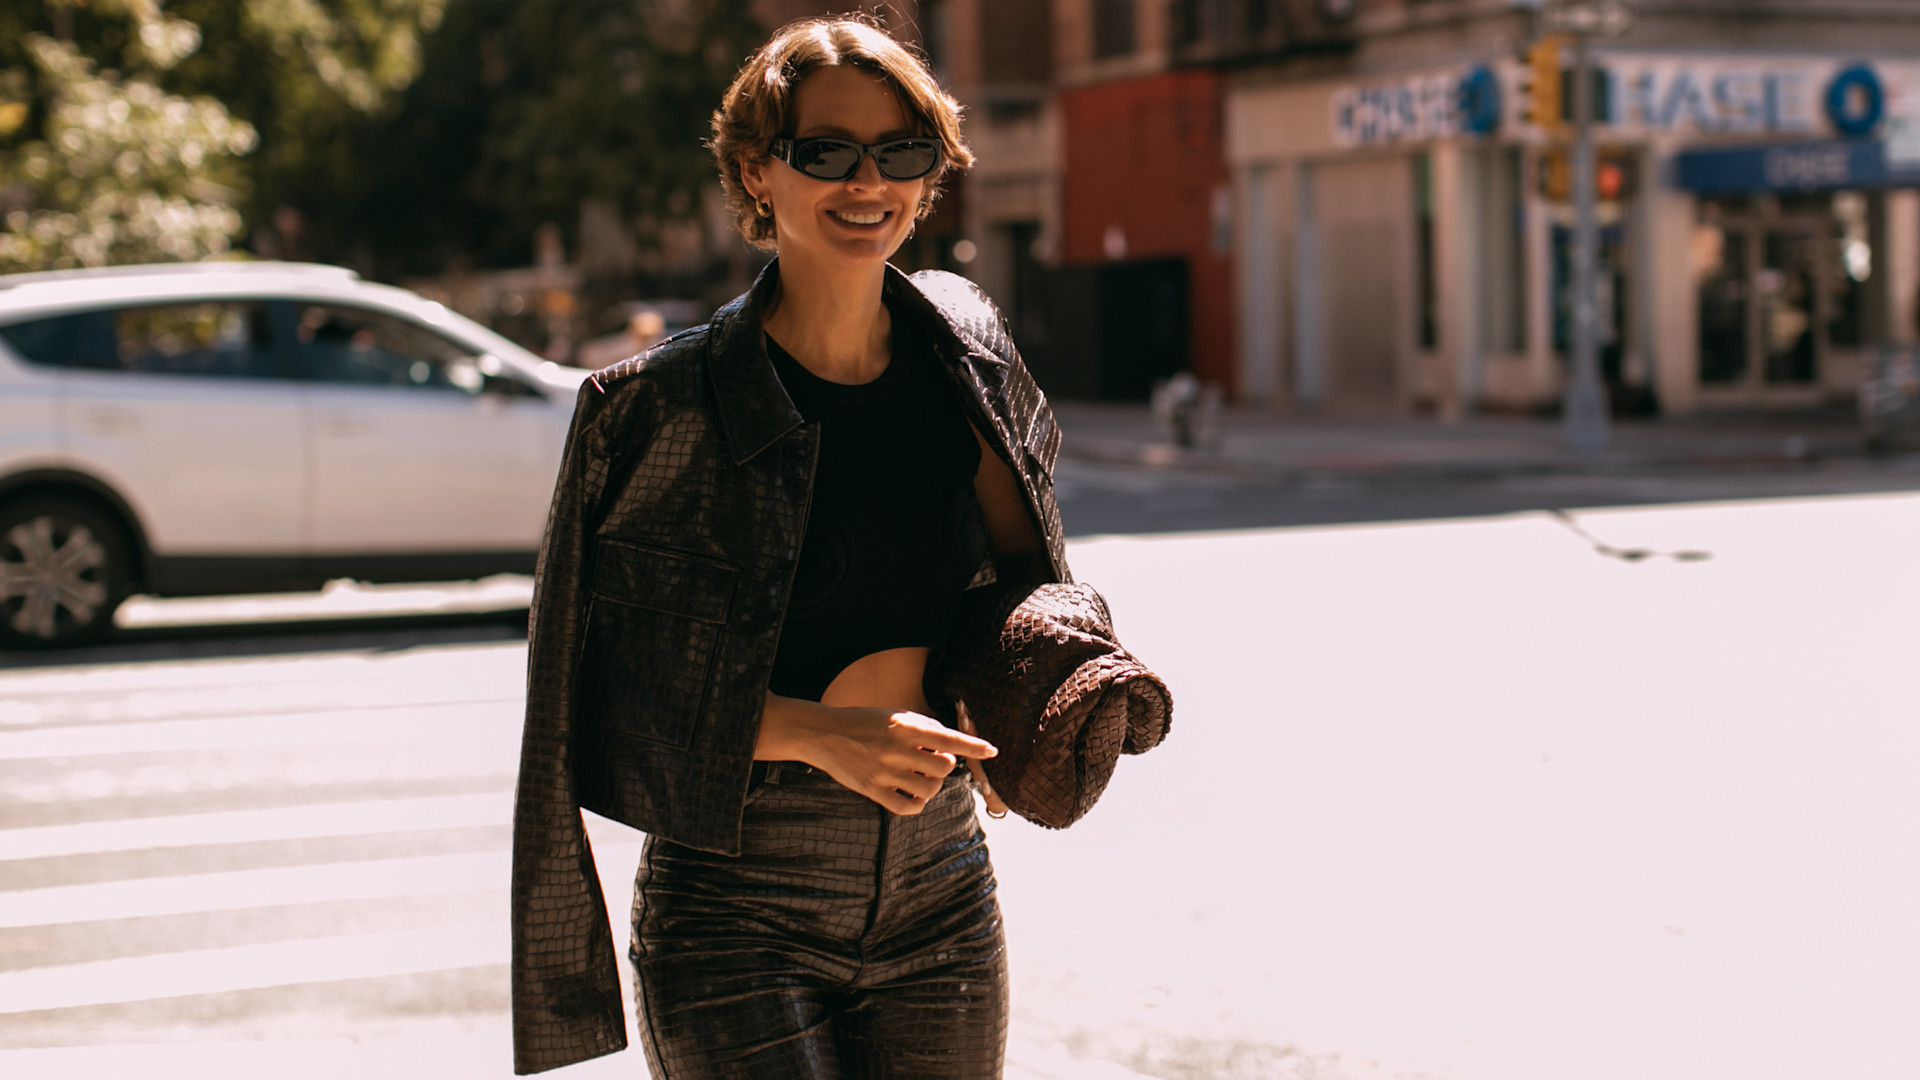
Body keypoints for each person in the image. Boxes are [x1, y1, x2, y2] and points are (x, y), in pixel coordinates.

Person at [509, 16, 1073, 1079]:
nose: (871, 183)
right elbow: (591, 697)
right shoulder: (660, 407)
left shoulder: (965, 358)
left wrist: (1032, 692)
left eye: (901, 153)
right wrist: (819, 734)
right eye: (827, 153)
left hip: (942, 886)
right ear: (758, 172)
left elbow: (1024, 585)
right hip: (733, 907)